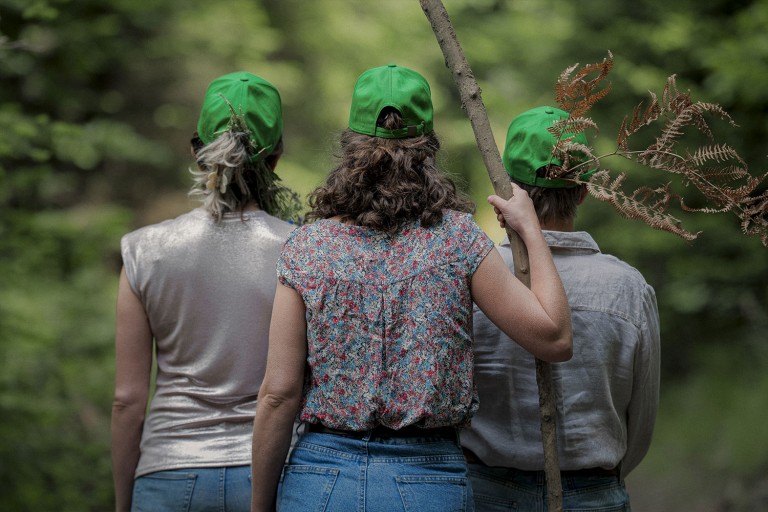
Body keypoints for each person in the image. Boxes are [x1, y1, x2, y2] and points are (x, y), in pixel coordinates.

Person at [250, 64, 573, 512]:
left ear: (350, 144)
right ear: (428, 147)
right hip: (427, 481)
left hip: (320, 478)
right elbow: (554, 338)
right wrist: (531, 230)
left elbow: (278, 394)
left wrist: (260, 505)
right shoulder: (458, 241)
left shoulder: (308, 247)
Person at [111, 71, 300, 512]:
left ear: (196, 152)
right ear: (275, 157)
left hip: (167, 472)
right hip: (273, 473)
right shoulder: (302, 250)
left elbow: (127, 400)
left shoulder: (144, 250)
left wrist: (123, 502)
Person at [462, 106, 661, 511]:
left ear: (507, 191)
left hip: (487, 491)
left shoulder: (476, 277)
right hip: (593, 492)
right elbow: (642, 418)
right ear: (584, 191)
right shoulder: (627, 287)